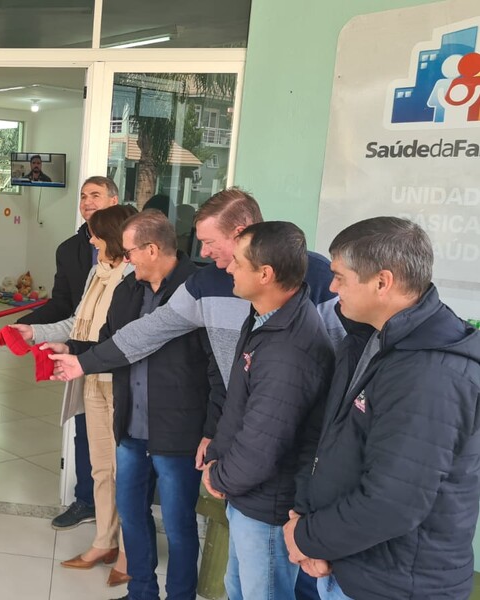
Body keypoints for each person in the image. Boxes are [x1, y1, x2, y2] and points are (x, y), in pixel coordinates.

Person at [49, 188, 345, 600]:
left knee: (294, 574)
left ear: (241, 234)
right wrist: (84, 362)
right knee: (245, 578)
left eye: (209, 241)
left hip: (301, 457)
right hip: (249, 451)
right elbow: (150, 331)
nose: (203, 251)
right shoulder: (207, 283)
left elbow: (338, 368)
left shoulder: (317, 281)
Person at [285, 217, 480, 600]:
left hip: (393, 585)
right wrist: (309, 527)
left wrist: (306, 538)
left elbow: (393, 503)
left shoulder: (432, 374)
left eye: (340, 276)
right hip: (346, 564)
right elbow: (325, 443)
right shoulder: (367, 340)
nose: (332, 287)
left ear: (382, 282)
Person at [200, 222, 335, 600]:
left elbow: (263, 444)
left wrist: (220, 476)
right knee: (237, 588)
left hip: (267, 506)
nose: (228, 267)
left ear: (265, 274)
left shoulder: (291, 348)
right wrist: (216, 456)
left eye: (238, 262)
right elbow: (240, 408)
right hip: (248, 496)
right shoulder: (267, 318)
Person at [11, 205, 135, 584]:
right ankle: (104, 541)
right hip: (90, 377)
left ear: (112, 237)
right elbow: (75, 323)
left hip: (120, 383)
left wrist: (81, 355)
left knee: (125, 471)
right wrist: (34, 332)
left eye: (96, 235)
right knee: (101, 467)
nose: (91, 241)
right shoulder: (98, 272)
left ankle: (129, 553)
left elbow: (124, 339)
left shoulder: (134, 277)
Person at [101, 211, 217, 600]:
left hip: (178, 434)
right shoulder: (127, 289)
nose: (125, 259)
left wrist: (211, 430)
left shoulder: (199, 289)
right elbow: (108, 344)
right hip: (131, 428)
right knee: (132, 516)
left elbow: (218, 369)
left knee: (179, 525)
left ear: (152, 249)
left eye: (129, 251)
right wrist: (65, 349)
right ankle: (142, 592)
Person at [17, 175, 121, 530]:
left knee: (122, 449)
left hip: (117, 365)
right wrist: (27, 327)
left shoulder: (134, 260)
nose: (87, 202)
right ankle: (87, 502)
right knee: (84, 430)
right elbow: (67, 309)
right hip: (81, 357)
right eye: (83, 196)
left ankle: (121, 519)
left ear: (114, 201)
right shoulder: (72, 252)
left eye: (96, 195)